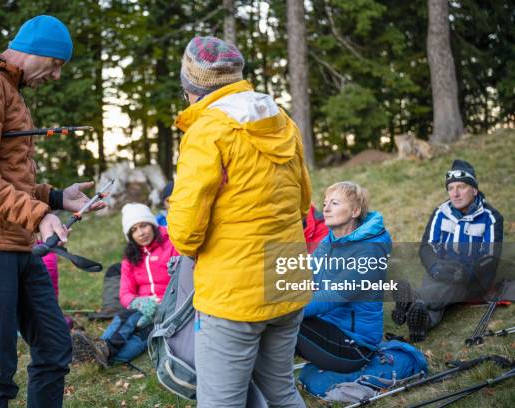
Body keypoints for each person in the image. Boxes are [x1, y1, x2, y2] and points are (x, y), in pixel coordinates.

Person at [0, 15, 105, 407]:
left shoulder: (4, 86)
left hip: (14, 243)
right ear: (37, 51)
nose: (57, 75)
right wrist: (38, 215)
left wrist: (59, 198)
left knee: (53, 345)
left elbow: (8, 179)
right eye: (57, 64)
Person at [167, 36, 312, 407]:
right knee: (281, 390)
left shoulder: (207, 132)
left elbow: (184, 232)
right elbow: (303, 204)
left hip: (234, 296)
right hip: (287, 281)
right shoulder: (282, 121)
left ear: (191, 88)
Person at [392, 160, 503, 342]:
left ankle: (412, 297)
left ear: (474, 190)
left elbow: (490, 258)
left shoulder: (491, 217)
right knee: (432, 301)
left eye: (461, 187)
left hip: (471, 279)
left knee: (449, 285)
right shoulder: (441, 212)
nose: (455, 193)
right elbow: (426, 247)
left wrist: (465, 273)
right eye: (451, 188)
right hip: (440, 271)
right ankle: (421, 323)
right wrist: (435, 267)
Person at [297, 182, 392, 373]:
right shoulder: (330, 241)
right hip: (330, 329)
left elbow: (335, 295)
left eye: (334, 203)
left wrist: (283, 307)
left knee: (285, 320)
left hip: (356, 348)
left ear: (355, 211)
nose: (326, 208)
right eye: (325, 203)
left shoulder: (370, 252)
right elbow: (305, 273)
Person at [72, 203, 178, 366]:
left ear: (152, 224)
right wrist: (139, 302)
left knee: (146, 337)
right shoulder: (130, 257)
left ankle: (100, 353)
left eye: (143, 226)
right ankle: (103, 350)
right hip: (142, 307)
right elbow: (125, 293)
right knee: (128, 315)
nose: (141, 233)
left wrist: (163, 304)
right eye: (134, 230)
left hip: (171, 307)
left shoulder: (172, 243)